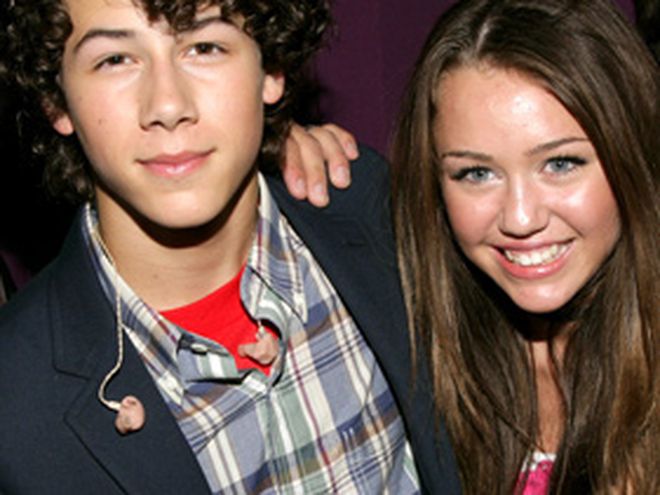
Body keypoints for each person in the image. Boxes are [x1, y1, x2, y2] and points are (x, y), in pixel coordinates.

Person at [0, 0, 460, 493]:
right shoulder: (16, 404)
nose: (168, 106)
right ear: (57, 100)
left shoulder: (371, 210)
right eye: (115, 60)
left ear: (271, 70)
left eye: (205, 47)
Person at [389, 0, 658, 493]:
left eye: (560, 164)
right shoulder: (413, 354)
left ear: (632, 150)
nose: (520, 218)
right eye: (477, 173)